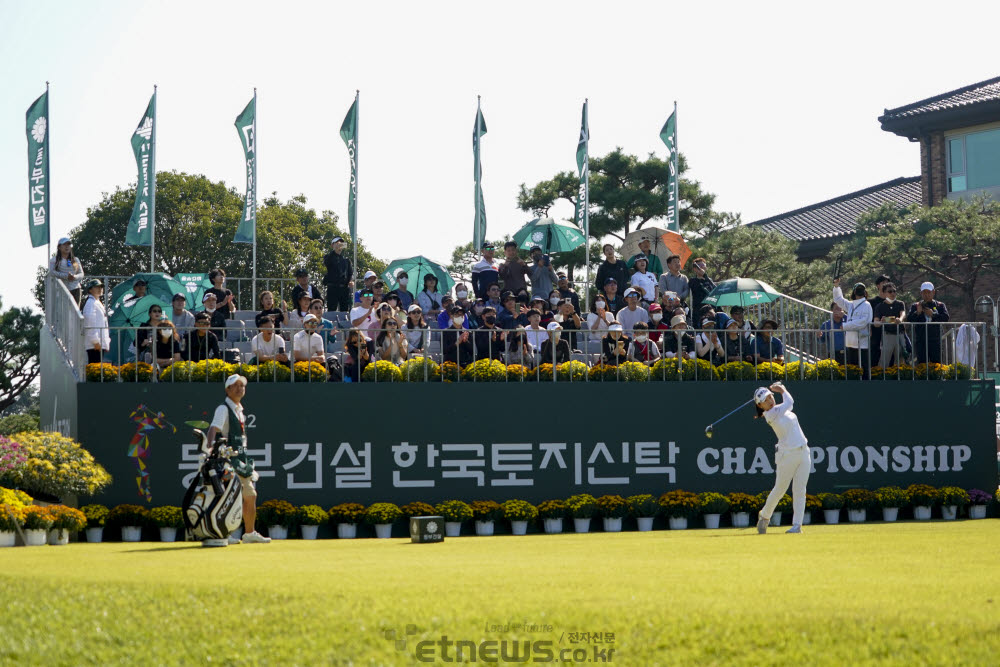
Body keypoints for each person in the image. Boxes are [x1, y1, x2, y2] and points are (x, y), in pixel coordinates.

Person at [206, 374, 270, 544]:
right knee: (228, 498)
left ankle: (249, 533)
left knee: (250, 495)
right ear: (227, 390)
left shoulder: (239, 410)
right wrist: (209, 447)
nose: (240, 388)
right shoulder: (223, 409)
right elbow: (214, 428)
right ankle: (224, 534)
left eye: (242, 385)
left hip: (241, 461)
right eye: (235, 385)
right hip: (227, 461)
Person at [754, 383, 811, 535]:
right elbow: (790, 402)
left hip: (804, 451)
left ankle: (797, 526)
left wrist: (781, 391)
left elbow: (788, 404)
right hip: (787, 456)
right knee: (780, 489)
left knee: (800, 490)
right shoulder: (771, 415)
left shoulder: (781, 409)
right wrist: (782, 389)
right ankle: (765, 516)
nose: (770, 400)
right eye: (766, 400)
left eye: (770, 396)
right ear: (760, 405)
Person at [833, 278, 873, 377]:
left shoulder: (867, 305)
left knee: (863, 371)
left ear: (865, 292)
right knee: (852, 371)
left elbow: (862, 322)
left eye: (862, 290)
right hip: (850, 342)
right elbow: (838, 300)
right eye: (858, 289)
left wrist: (846, 326)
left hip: (862, 344)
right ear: (854, 292)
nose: (859, 292)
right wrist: (836, 286)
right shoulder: (851, 305)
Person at [908, 281, 950, 365]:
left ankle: (937, 377)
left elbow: (946, 317)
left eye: (928, 292)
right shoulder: (915, 305)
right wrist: (918, 312)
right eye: (924, 292)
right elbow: (909, 319)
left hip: (935, 339)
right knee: (922, 364)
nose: (926, 295)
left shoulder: (940, 305)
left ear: (933, 292)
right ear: (921, 293)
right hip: (921, 339)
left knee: (937, 363)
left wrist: (933, 315)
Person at [872, 283, 905, 369]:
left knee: (901, 362)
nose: (893, 293)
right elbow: (876, 323)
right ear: (884, 293)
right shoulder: (879, 306)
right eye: (890, 291)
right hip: (888, 335)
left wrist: (898, 319)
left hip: (900, 335)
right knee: (884, 361)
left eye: (894, 291)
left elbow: (903, 315)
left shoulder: (900, 303)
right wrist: (885, 321)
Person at [49, 237, 84, 307]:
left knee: (75, 312)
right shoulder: (54, 260)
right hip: (62, 289)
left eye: (68, 244)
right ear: (59, 247)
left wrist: (74, 277)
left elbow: (81, 273)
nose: (67, 246)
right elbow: (52, 272)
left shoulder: (75, 259)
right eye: (64, 244)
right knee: (64, 313)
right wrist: (66, 276)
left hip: (76, 289)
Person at [322, 236, 354, 311]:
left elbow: (349, 273)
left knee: (344, 310)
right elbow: (327, 263)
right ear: (332, 245)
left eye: (341, 243)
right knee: (331, 309)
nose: (339, 245)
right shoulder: (328, 257)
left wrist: (350, 281)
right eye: (336, 243)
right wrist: (334, 251)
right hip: (332, 288)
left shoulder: (346, 260)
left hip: (344, 289)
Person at [81, 279, 109, 364]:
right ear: (90, 290)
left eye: (101, 287)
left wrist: (105, 343)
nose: (100, 289)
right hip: (94, 344)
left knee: (97, 370)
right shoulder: (90, 303)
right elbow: (89, 322)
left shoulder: (97, 302)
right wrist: (95, 341)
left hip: (99, 343)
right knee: (95, 371)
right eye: (97, 287)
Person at [868, 276, 891, 367]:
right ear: (878, 286)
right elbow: (868, 319)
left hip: (890, 335)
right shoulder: (870, 302)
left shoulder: (893, 302)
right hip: (875, 336)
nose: (886, 286)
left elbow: (898, 319)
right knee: (874, 361)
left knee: (890, 363)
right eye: (883, 283)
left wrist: (887, 320)